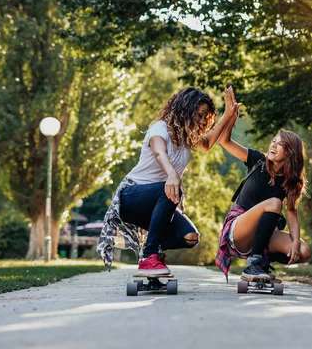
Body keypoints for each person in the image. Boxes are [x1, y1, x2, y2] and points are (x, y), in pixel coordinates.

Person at [98, 86, 237, 274]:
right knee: (172, 189)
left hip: (158, 202)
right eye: (199, 114)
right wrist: (172, 174)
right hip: (131, 197)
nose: (202, 120)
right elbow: (159, 152)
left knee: (189, 237)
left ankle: (156, 252)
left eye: (205, 117)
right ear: (185, 109)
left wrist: (228, 114)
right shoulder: (159, 128)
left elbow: (207, 144)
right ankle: (149, 256)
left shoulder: (186, 138)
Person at [215, 92, 311, 282]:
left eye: (281, 144)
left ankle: (262, 261)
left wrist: (294, 242)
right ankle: (254, 263)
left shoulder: (292, 182)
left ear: (291, 153)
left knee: (304, 251)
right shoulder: (257, 160)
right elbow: (224, 141)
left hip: (264, 235)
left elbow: (292, 216)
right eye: (274, 141)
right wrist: (230, 118)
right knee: (274, 203)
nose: (274, 145)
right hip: (238, 230)